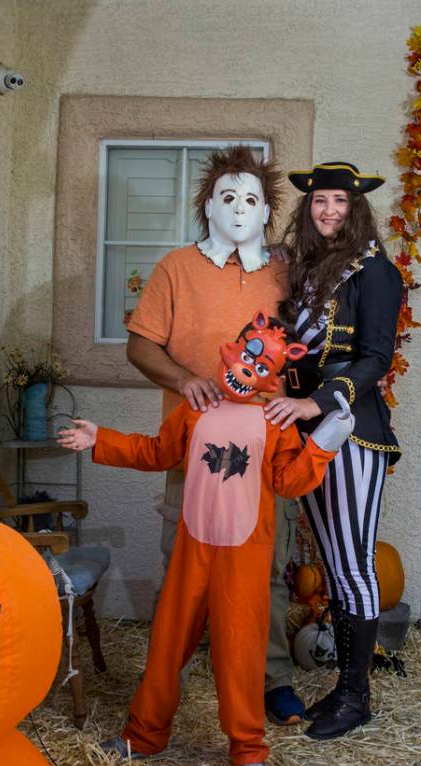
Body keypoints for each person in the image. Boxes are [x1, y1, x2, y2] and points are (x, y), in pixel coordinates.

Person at [59, 312, 354, 766]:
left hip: (245, 557)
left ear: (274, 374)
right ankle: (144, 734)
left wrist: (323, 443)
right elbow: (156, 452)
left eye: (262, 363)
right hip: (193, 549)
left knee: (240, 653)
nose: (248, 366)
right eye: (246, 352)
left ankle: (248, 751)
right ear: (231, 349)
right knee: (167, 643)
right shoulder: (195, 411)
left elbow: (290, 481)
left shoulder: (274, 421)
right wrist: (102, 440)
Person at [124, 145, 308, 725]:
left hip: (267, 450)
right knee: (178, 566)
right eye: (226, 196)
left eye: (250, 198)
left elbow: (312, 351)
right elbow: (140, 344)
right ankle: (165, 680)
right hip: (192, 450)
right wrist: (186, 381)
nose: (237, 207)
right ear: (207, 205)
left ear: (266, 211)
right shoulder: (175, 269)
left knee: (271, 571)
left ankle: (268, 677)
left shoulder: (285, 272)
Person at [263, 161, 403, 740]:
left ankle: (355, 695)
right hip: (305, 430)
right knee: (335, 564)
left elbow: (376, 359)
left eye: (339, 202)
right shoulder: (305, 270)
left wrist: (314, 403)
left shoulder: (375, 271)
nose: (328, 211)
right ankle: (345, 688)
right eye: (320, 201)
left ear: (356, 208)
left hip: (350, 427)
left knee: (354, 566)